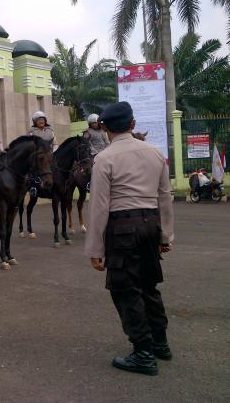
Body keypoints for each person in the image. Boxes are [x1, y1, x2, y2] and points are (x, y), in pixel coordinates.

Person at [84, 101, 174, 376]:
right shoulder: (155, 153)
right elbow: (164, 197)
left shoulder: (104, 158)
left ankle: (143, 355)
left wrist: (95, 249)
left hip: (122, 229)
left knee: (126, 291)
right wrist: (165, 234)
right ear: (133, 124)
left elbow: (99, 206)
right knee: (149, 286)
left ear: (106, 128)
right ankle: (160, 344)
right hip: (150, 224)